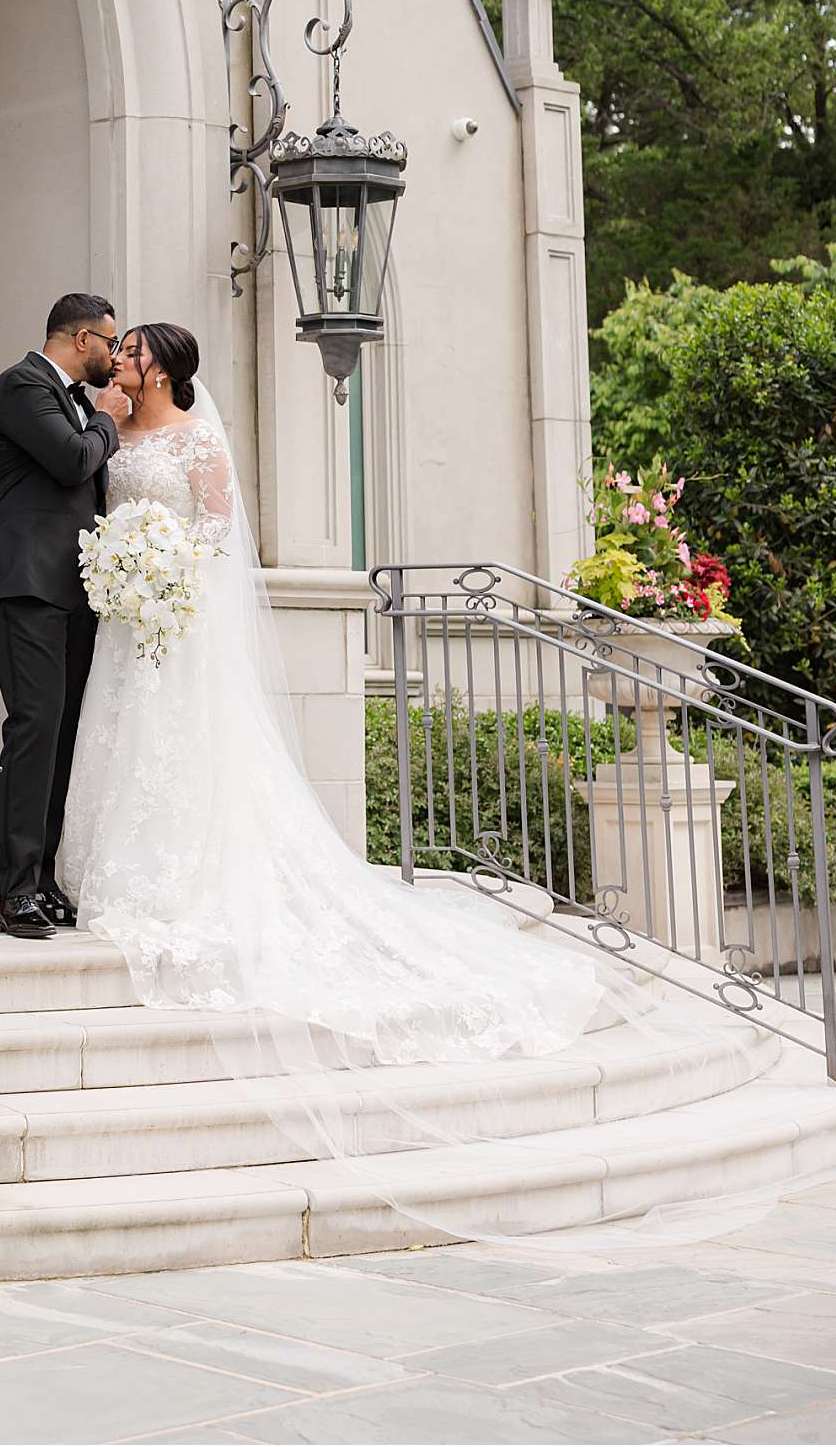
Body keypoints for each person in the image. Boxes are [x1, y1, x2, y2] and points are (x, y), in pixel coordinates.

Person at [59, 321, 605, 1063]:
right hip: (127, 619)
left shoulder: (197, 438)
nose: (117, 357)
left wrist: (162, 567)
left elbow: (218, 530)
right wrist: (124, 569)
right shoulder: (113, 431)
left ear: (159, 370)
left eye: (130, 351)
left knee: (180, 742)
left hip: (175, 615)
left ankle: (178, 877)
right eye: (116, 348)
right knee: (124, 735)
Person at [0, 293, 126, 939]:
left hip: (71, 593)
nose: (114, 357)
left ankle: (46, 880)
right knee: (34, 728)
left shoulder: (76, 402)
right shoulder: (21, 387)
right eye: (110, 343)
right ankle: (16, 892)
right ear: (82, 339)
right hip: (22, 587)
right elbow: (73, 460)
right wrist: (109, 419)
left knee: (62, 736)